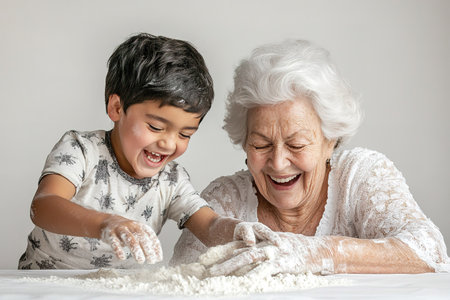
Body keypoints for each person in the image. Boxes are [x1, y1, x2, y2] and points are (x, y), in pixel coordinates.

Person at [170, 39, 450, 275]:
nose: (278, 163)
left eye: (296, 144)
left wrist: (317, 252)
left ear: (331, 142)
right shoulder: (224, 201)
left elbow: (429, 250)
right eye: (261, 144)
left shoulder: (359, 177)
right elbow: (176, 283)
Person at [18, 33, 279, 270]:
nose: (168, 143)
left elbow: (209, 225)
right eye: (156, 127)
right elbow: (44, 206)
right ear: (117, 108)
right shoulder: (81, 151)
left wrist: (238, 231)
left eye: (185, 134)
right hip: (44, 283)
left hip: (115, 290)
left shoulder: (171, 181)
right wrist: (105, 224)